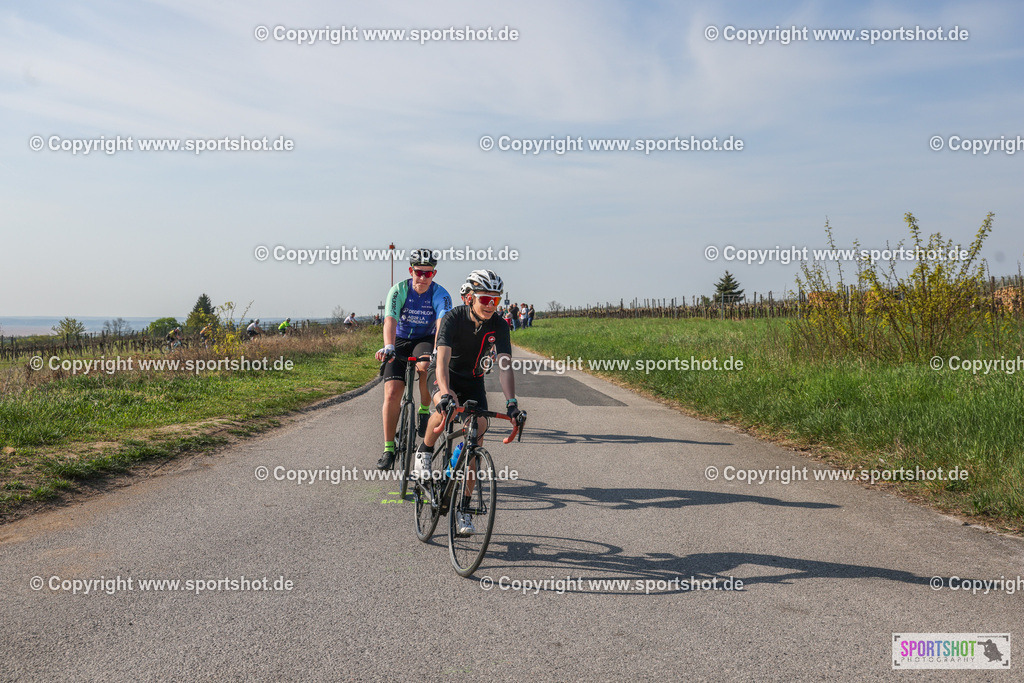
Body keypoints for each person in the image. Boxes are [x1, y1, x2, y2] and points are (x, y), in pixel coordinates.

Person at [414, 269, 524, 535]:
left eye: (495, 300)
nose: (490, 305)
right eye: (485, 299)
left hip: (473, 380)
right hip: (445, 375)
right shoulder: (453, 318)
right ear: (470, 298)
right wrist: (445, 392)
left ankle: (463, 508)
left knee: (479, 432)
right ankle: (424, 452)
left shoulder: (498, 324)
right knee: (443, 406)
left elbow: (505, 365)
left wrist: (511, 403)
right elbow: (440, 361)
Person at [374, 249, 453, 470]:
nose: (423, 278)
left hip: (425, 339)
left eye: (428, 274)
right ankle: (389, 448)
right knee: (391, 392)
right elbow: (390, 319)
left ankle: (424, 411)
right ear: (411, 271)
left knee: (426, 365)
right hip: (399, 339)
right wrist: (389, 346)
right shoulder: (398, 290)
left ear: (434, 274)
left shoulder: (441, 294)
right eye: (419, 272)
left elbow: (442, 324)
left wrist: (438, 349)